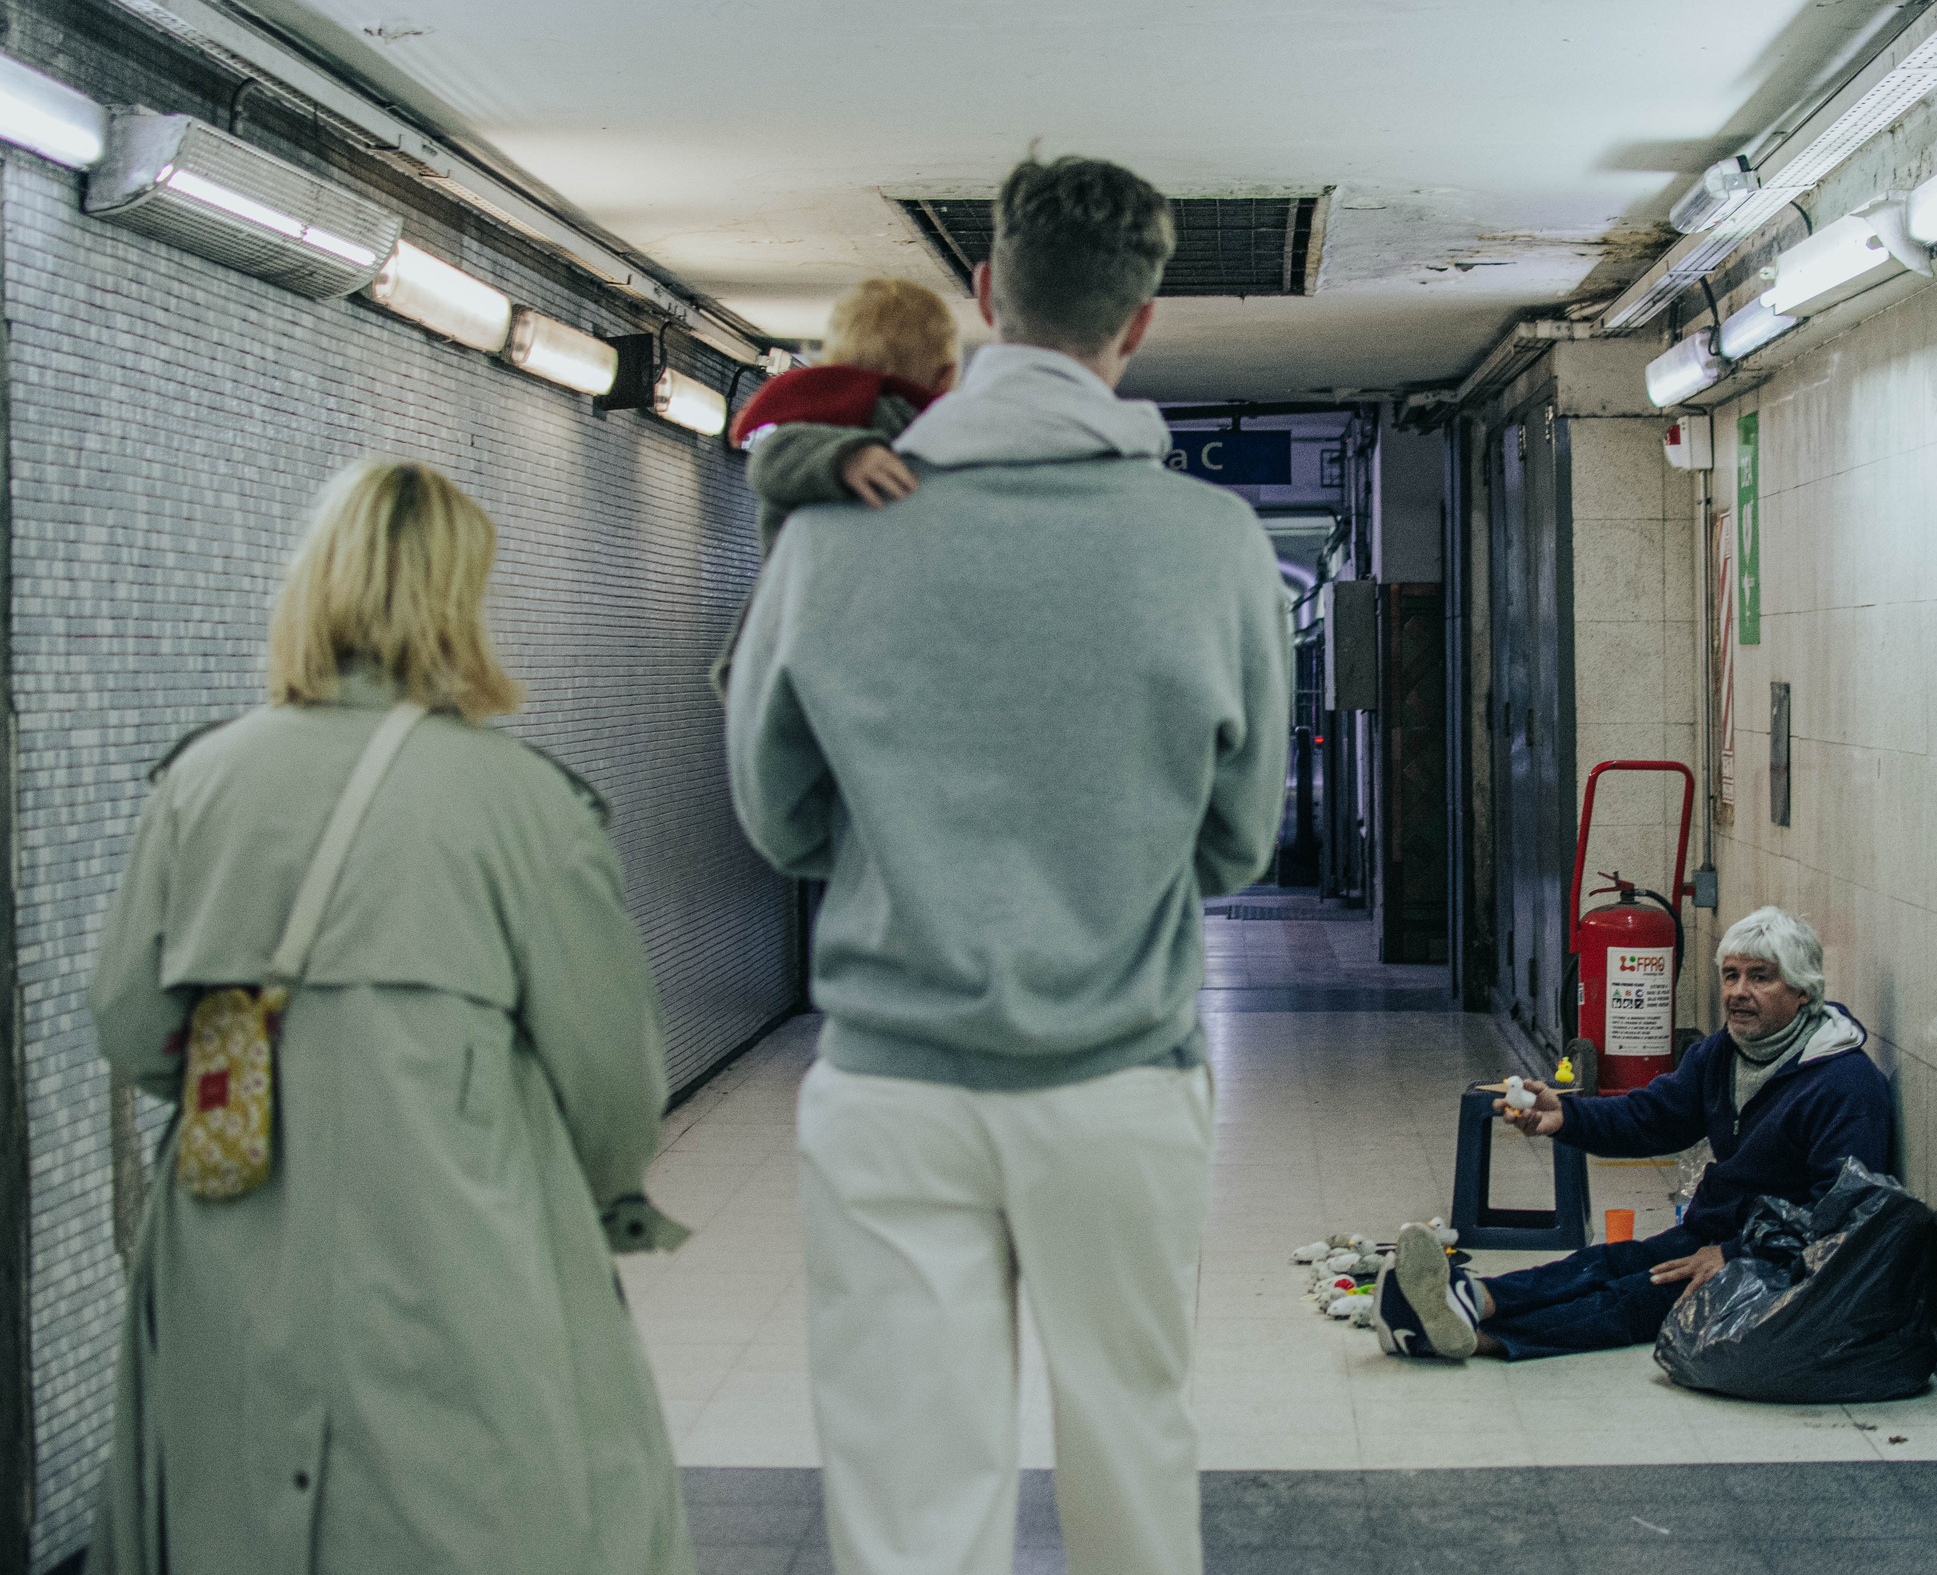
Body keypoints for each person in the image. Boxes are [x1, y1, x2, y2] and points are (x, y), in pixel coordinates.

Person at [725, 155, 1290, 1575]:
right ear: (1139, 323)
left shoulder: (836, 533)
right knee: (1132, 1450)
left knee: (913, 1492)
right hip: (1122, 1078)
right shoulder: (1215, 543)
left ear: (984, 297)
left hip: (894, 1087)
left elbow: (779, 818)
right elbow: (1241, 838)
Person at [87, 458, 693, 1575]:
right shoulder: (526, 806)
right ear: (462, 598)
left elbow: (130, 1024)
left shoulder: (199, 783)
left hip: (232, 1245)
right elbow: (610, 1078)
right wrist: (601, 1199)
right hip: (461, 1245)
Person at [1374, 906, 1892, 1364]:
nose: (1738, 992)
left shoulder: (1844, 1085)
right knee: (1607, 1263)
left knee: (1635, 1296)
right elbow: (1651, 1118)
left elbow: (1838, 1216)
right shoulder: (1720, 1055)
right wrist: (1567, 1117)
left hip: (1780, 1260)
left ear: (1803, 991)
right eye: (1730, 976)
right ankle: (1465, 1296)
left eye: (1760, 978)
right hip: (1715, 1231)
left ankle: (1464, 1337)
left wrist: (1733, 1255)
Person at [731, 275, 961, 550]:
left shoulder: (813, 407)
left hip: (793, 585)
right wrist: (847, 457)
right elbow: (768, 460)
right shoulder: (904, 425)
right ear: (946, 377)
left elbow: (768, 457)